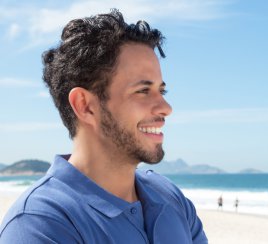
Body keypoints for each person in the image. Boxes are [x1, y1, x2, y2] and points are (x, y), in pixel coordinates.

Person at [0, 9, 207, 244]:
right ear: (86, 106)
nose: (165, 107)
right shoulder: (38, 225)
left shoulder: (169, 196)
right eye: (143, 91)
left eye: (161, 90)